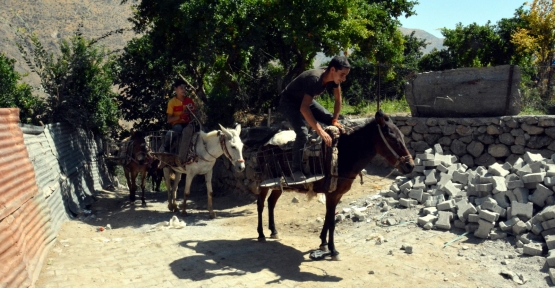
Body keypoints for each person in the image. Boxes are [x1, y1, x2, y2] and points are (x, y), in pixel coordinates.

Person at [279, 55, 350, 182]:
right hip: (288, 102)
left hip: (304, 101)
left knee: (337, 122)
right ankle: (296, 170)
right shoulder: (315, 79)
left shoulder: (334, 78)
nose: (344, 79)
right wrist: (320, 131)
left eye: (346, 75)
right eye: (342, 74)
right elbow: (304, 109)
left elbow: (338, 100)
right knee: (302, 133)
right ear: (333, 70)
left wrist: (334, 120)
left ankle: (342, 161)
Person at [163, 78, 196, 156]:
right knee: (178, 129)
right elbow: (169, 120)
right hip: (177, 125)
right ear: (175, 89)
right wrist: (180, 117)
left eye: (185, 88)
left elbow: (194, 115)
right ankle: (166, 149)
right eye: (181, 88)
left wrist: (190, 114)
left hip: (188, 124)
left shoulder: (189, 101)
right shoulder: (172, 102)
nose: (184, 90)